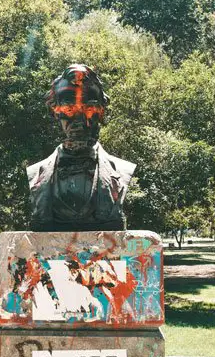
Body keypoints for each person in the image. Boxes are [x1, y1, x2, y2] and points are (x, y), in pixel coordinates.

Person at [27, 64, 136, 232]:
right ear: (55, 110)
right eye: (69, 107)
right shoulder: (35, 174)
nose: (79, 117)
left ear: (101, 111)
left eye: (89, 107)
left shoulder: (122, 171)